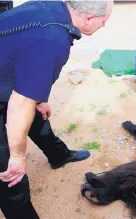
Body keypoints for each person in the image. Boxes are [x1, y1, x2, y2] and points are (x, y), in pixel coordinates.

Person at [0, 0, 113, 218]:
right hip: (8, 94)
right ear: (88, 17)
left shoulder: (52, 7)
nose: (104, 25)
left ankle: (59, 155)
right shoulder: (53, 38)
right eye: (104, 21)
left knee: (36, 117)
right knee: (10, 176)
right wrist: (18, 156)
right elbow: (20, 103)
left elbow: (23, 52)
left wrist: (38, 99)